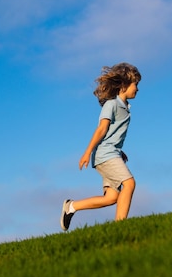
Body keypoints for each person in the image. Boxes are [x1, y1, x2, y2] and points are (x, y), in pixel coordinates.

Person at [60, 62, 141, 231]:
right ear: (124, 85)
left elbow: (112, 134)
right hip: (105, 155)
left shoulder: (126, 108)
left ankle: (71, 207)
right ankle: (120, 228)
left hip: (112, 153)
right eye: (136, 84)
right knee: (129, 183)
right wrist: (87, 152)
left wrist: (120, 151)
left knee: (111, 198)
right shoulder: (111, 105)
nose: (138, 89)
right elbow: (102, 129)